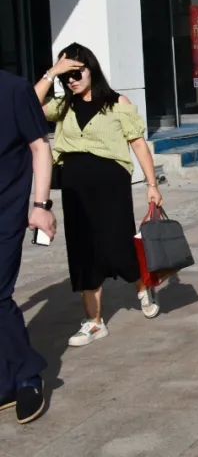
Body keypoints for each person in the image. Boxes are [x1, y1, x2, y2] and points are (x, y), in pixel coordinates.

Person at [32, 44, 164, 347]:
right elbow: (29, 105)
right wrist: (52, 73)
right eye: (67, 76)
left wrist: (152, 185)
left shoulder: (117, 103)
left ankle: (143, 286)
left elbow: (138, 144)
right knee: (83, 251)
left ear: (91, 69)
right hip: (75, 189)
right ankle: (94, 322)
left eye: (77, 73)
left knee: (118, 243)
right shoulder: (63, 105)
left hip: (111, 186)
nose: (72, 80)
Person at [0, 69, 56, 425]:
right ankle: (5, 383)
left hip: (6, 210)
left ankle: (26, 374)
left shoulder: (14, 90)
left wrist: (40, 205)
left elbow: (40, 147)